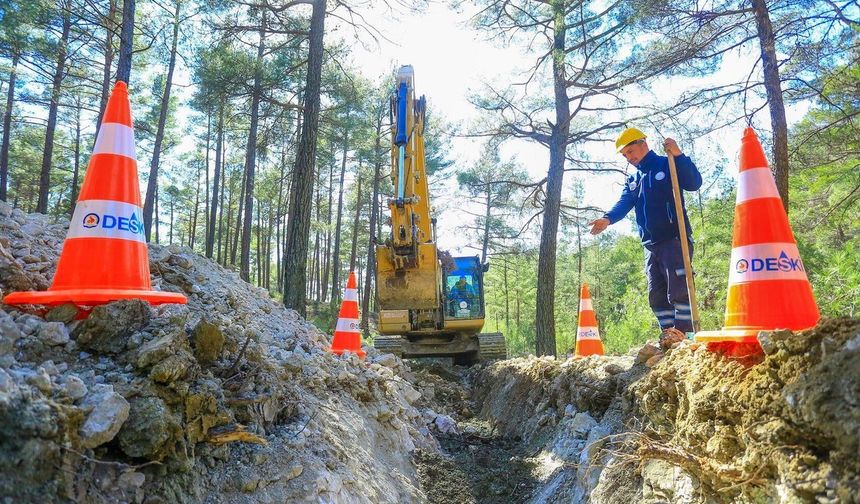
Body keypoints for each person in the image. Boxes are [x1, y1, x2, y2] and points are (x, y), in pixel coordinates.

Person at [588, 127, 702, 348]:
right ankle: (668, 336)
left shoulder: (666, 164)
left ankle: (686, 336)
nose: (630, 158)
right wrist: (607, 218)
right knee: (656, 294)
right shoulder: (634, 178)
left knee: (679, 288)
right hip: (651, 245)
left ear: (643, 143)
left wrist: (679, 155)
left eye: (631, 151)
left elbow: (694, 183)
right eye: (625, 155)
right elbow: (624, 203)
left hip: (674, 238)